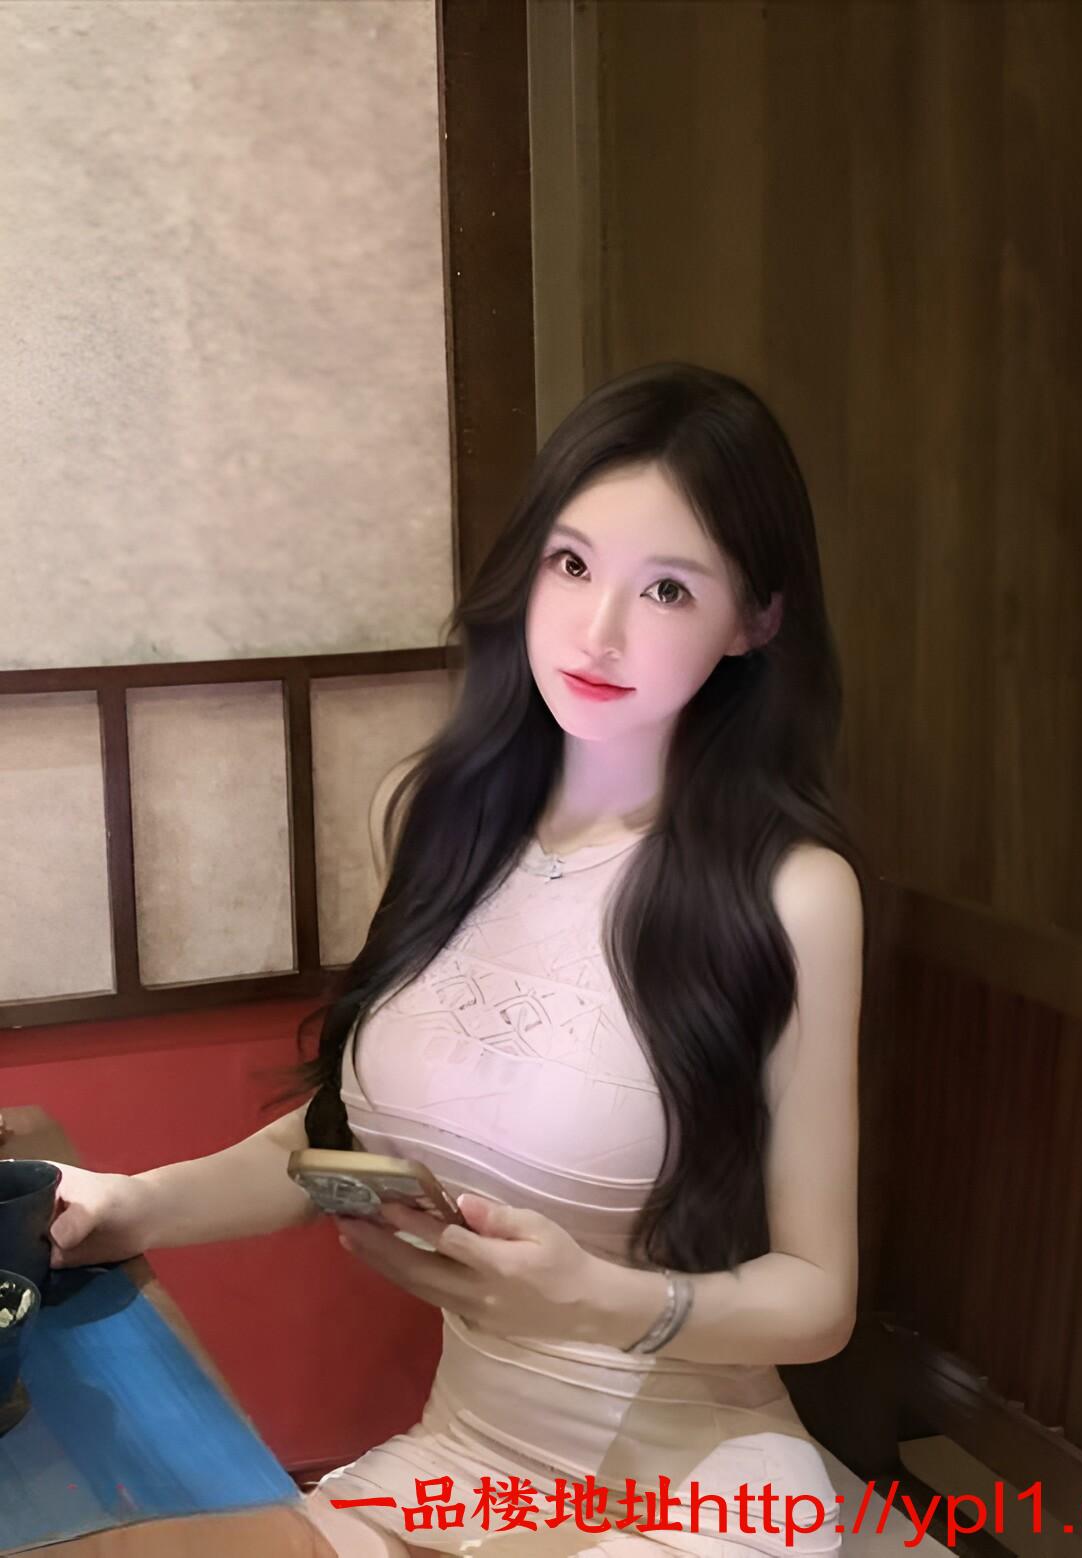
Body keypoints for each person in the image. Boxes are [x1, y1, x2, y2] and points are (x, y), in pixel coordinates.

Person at [48, 362, 873, 1557]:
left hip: (693, 1483)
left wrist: (599, 1299)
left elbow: (817, 1297)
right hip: (467, 1460)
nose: (597, 630)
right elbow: (341, 1145)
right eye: (572, 564)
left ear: (755, 620)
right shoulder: (436, 817)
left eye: (667, 588)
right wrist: (134, 1203)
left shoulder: (792, 892)